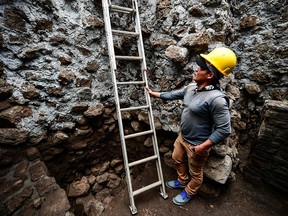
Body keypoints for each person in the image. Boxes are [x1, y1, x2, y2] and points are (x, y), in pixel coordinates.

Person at [146, 47, 237, 206]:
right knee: (176, 158)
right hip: (183, 137)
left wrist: (203, 147)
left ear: (209, 75)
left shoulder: (217, 99)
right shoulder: (191, 88)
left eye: (201, 67)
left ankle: (189, 191)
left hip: (197, 144)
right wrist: (155, 94)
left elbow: (224, 130)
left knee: (196, 173)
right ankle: (182, 180)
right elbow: (174, 95)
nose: (196, 69)